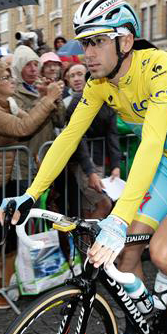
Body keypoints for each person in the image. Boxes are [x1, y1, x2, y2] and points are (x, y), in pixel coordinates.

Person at [0, 0, 167, 334]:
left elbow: (151, 144)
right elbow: (67, 139)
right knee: (126, 255)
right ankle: (135, 331)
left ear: (124, 41)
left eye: (97, 42)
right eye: (84, 43)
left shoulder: (160, 68)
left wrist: (119, 218)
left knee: (165, 254)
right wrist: (32, 193)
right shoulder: (98, 83)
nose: (86, 53)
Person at [0, 59, 60, 308]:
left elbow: (30, 119)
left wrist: (46, 98)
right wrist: (47, 98)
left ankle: (5, 281)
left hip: (5, 177)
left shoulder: (7, 103)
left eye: (10, 76)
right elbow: (22, 127)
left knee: (6, 232)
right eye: (4, 78)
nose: (10, 81)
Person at [64, 63, 121, 219]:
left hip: (98, 160)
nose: (77, 79)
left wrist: (116, 165)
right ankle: (88, 242)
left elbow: (112, 134)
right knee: (104, 204)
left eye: (80, 74)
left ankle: (85, 242)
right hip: (82, 163)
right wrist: (90, 172)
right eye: (72, 75)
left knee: (89, 208)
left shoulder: (106, 100)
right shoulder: (75, 103)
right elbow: (78, 138)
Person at [11, 45, 66, 183]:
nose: (33, 69)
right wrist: (45, 98)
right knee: (28, 202)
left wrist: (56, 99)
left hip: (47, 156)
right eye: (27, 65)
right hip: (25, 161)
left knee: (46, 202)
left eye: (36, 64)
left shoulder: (43, 85)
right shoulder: (12, 92)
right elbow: (26, 123)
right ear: (18, 68)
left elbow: (60, 121)